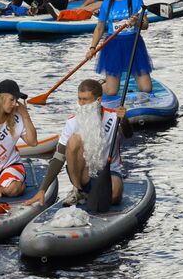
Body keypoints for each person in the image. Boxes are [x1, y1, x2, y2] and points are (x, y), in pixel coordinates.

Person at [25, 79, 131, 208]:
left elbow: (128, 134)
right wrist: (42, 190)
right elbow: (59, 157)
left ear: (98, 100)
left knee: (114, 196)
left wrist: (124, 120)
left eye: (85, 100)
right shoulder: (72, 122)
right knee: (74, 139)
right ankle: (78, 190)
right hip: (84, 173)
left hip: (110, 171)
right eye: (79, 99)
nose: (81, 104)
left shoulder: (114, 117)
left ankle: (91, 193)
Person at [90, 0, 154, 98]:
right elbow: (99, 28)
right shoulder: (106, 3)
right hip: (114, 44)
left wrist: (136, 22)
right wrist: (92, 48)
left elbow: (145, 25)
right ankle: (101, 85)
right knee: (112, 91)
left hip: (134, 44)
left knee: (146, 89)